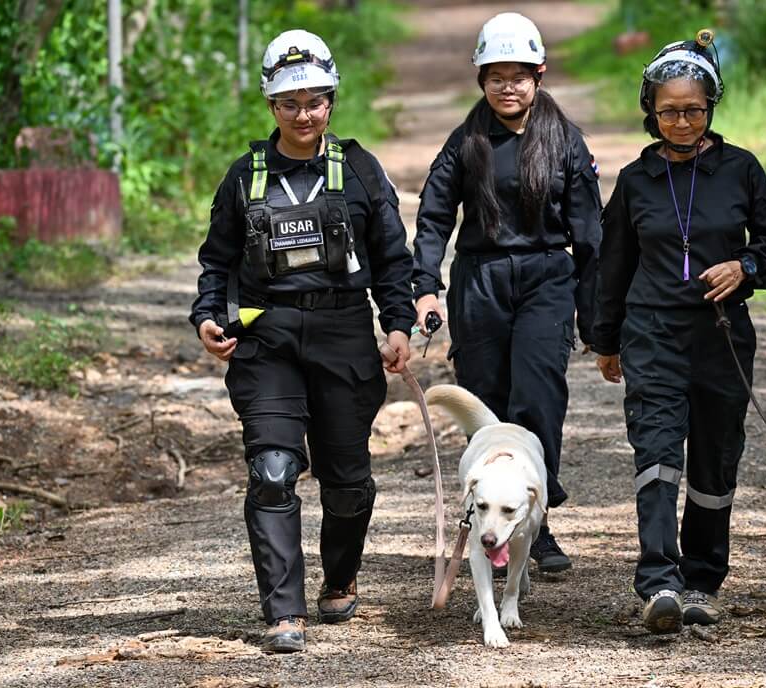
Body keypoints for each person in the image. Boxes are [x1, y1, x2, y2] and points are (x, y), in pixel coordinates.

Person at [189, 29, 416, 653]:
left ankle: (339, 577)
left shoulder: (360, 170)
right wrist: (208, 316)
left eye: (315, 101)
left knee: (347, 483)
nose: (304, 114)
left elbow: (392, 260)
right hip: (268, 339)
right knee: (272, 471)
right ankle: (283, 612)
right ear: (271, 105)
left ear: (331, 101)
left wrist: (397, 324)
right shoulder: (245, 176)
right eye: (290, 103)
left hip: (344, 334)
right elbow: (217, 261)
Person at [592, 31, 766, 637]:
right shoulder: (635, 180)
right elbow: (612, 265)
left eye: (693, 110)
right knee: (656, 452)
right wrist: (605, 340)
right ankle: (659, 580)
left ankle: (703, 579)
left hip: (722, 335)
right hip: (652, 333)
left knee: (715, 457)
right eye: (669, 111)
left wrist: (746, 267)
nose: (681, 122)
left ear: (711, 107)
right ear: (650, 111)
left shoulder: (741, 170)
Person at [412, 12, 602, 573]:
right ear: (481, 79)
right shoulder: (465, 142)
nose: (508, 86)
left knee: (537, 398)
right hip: (481, 280)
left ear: (539, 76)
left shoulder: (565, 141)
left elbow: (591, 234)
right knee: (487, 403)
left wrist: (597, 318)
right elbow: (433, 216)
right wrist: (426, 288)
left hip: (547, 277)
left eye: (519, 76)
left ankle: (535, 524)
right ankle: (486, 521)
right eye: (496, 76)